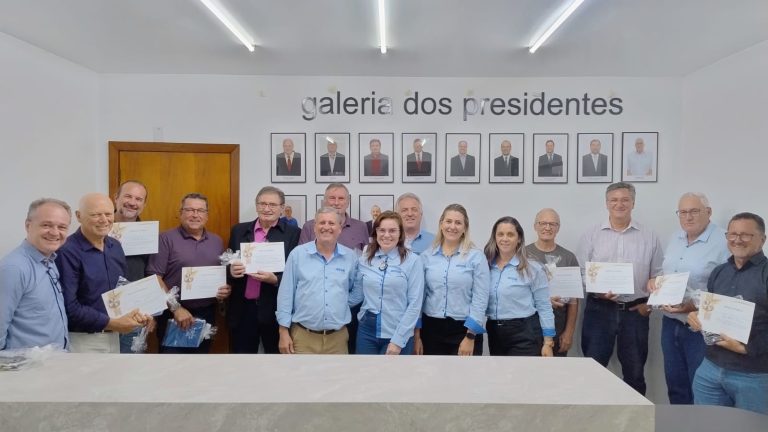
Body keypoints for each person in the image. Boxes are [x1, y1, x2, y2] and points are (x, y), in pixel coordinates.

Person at [577, 182, 663, 395]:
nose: (619, 204)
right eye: (614, 200)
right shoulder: (591, 235)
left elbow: (659, 276)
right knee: (593, 370)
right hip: (598, 310)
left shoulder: (649, 236)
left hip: (636, 312)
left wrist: (649, 306)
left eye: (625, 199)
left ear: (633, 202)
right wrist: (597, 291)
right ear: (606, 203)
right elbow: (580, 272)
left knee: (634, 373)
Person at [648, 193, 729, 405]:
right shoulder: (676, 238)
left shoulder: (724, 241)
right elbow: (668, 275)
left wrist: (692, 305)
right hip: (670, 323)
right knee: (675, 385)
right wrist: (656, 283)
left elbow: (729, 290)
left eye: (694, 211)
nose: (688, 217)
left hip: (701, 327)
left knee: (700, 389)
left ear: (708, 212)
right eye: (683, 212)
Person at [687, 212, 768, 415]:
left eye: (745, 235)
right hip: (710, 368)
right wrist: (698, 317)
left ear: (763, 239)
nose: (737, 240)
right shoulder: (719, 272)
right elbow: (712, 312)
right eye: (732, 234)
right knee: (706, 426)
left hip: (754, 375)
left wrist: (746, 348)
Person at [56, 193, 152, 353]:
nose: (104, 220)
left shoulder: (115, 246)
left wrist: (137, 313)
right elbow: (69, 306)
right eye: (95, 215)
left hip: (115, 337)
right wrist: (113, 323)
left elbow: (122, 291)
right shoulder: (67, 251)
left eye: (108, 214)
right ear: (79, 216)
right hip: (83, 340)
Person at [147, 193, 231, 354]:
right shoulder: (165, 239)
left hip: (207, 314)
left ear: (207, 215)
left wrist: (224, 291)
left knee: (200, 367)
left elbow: (219, 276)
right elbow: (154, 278)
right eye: (190, 210)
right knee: (171, 368)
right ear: (181, 212)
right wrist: (176, 308)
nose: (195, 214)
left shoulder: (216, 241)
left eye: (200, 210)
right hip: (174, 315)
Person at [276, 208, 360, 354]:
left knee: (339, 378)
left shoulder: (350, 257)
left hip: (338, 339)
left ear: (340, 228)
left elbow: (357, 290)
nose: (326, 227)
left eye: (331, 223)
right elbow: (285, 295)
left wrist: (340, 302)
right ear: (314, 227)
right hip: (303, 337)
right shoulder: (297, 255)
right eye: (322, 222)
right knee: (301, 377)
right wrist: (283, 332)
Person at [228, 187, 301, 354]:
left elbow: (298, 273)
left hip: (275, 310)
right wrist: (231, 271)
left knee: (277, 364)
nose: (267, 209)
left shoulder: (294, 234)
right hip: (243, 310)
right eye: (262, 204)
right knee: (241, 362)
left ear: (282, 208)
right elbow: (228, 262)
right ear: (256, 205)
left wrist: (275, 280)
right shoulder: (238, 230)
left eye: (273, 205)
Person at [299, 183, 368, 353]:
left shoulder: (361, 227)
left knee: (345, 356)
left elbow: (366, 260)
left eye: (341, 198)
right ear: (324, 201)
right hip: (314, 308)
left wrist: (344, 303)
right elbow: (301, 263)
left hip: (348, 308)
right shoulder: (310, 226)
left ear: (348, 201)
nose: (336, 202)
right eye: (332, 198)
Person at [417, 204, 490, 356]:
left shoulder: (476, 257)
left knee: (464, 379)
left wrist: (470, 336)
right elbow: (419, 297)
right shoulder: (426, 256)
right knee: (431, 378)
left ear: (465, 227)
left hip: (464, 330)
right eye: (448, 221)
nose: (452, 226)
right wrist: (417, 334)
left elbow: (481, 298)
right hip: (431, 329)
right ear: (441, 224)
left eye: (458, 223)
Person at [0, 199, 71, 351]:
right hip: (25, 370)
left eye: (62, 227)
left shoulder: (50, 261)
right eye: (46, 225)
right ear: (28, 225)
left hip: (55, 363)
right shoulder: (14, 268)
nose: (54, 232)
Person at [484, 216, 555, 357]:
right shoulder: (485, 266)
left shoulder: (532, 268)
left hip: (524, 333)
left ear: (519, 239)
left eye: (510, 234)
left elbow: (544, 305)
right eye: (500, 234)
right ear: (494, 237)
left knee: (522, 378)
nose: (505, 239)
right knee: (500, 377)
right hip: (494, 332)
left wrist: (548, 342)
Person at [355, 211, 424, 355]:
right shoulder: (365, 258)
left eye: (392, 230)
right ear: (375, 232)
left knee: (393, 377)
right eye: (382, 230)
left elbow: (415, 304)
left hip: (398, 331)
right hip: (367, 331)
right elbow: (357, 292)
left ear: (400, 234)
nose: (386, 235)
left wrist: (398, 340)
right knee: (363, 376)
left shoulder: (413, 260)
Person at [525, 209, 580, 356]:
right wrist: (544, 300)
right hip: (527, 328)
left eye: (552, 224)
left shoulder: (569, 258)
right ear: (535, 226)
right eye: (543, 223)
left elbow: (574, 301)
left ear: (558, 228)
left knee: (554, 375)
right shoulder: (522, 254)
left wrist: (569, 332)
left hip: (558, 327)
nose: (547, 227)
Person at [112, 180, 151, 352]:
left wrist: (152, 312)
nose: (133, 202)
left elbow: (151, 275)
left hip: (135, 314)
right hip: (100, 316)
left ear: (144, 204)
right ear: (116, 198)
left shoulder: (147, 235)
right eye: (128, 196)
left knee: (132, 370)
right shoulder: (98, 228)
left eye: (139, 199)